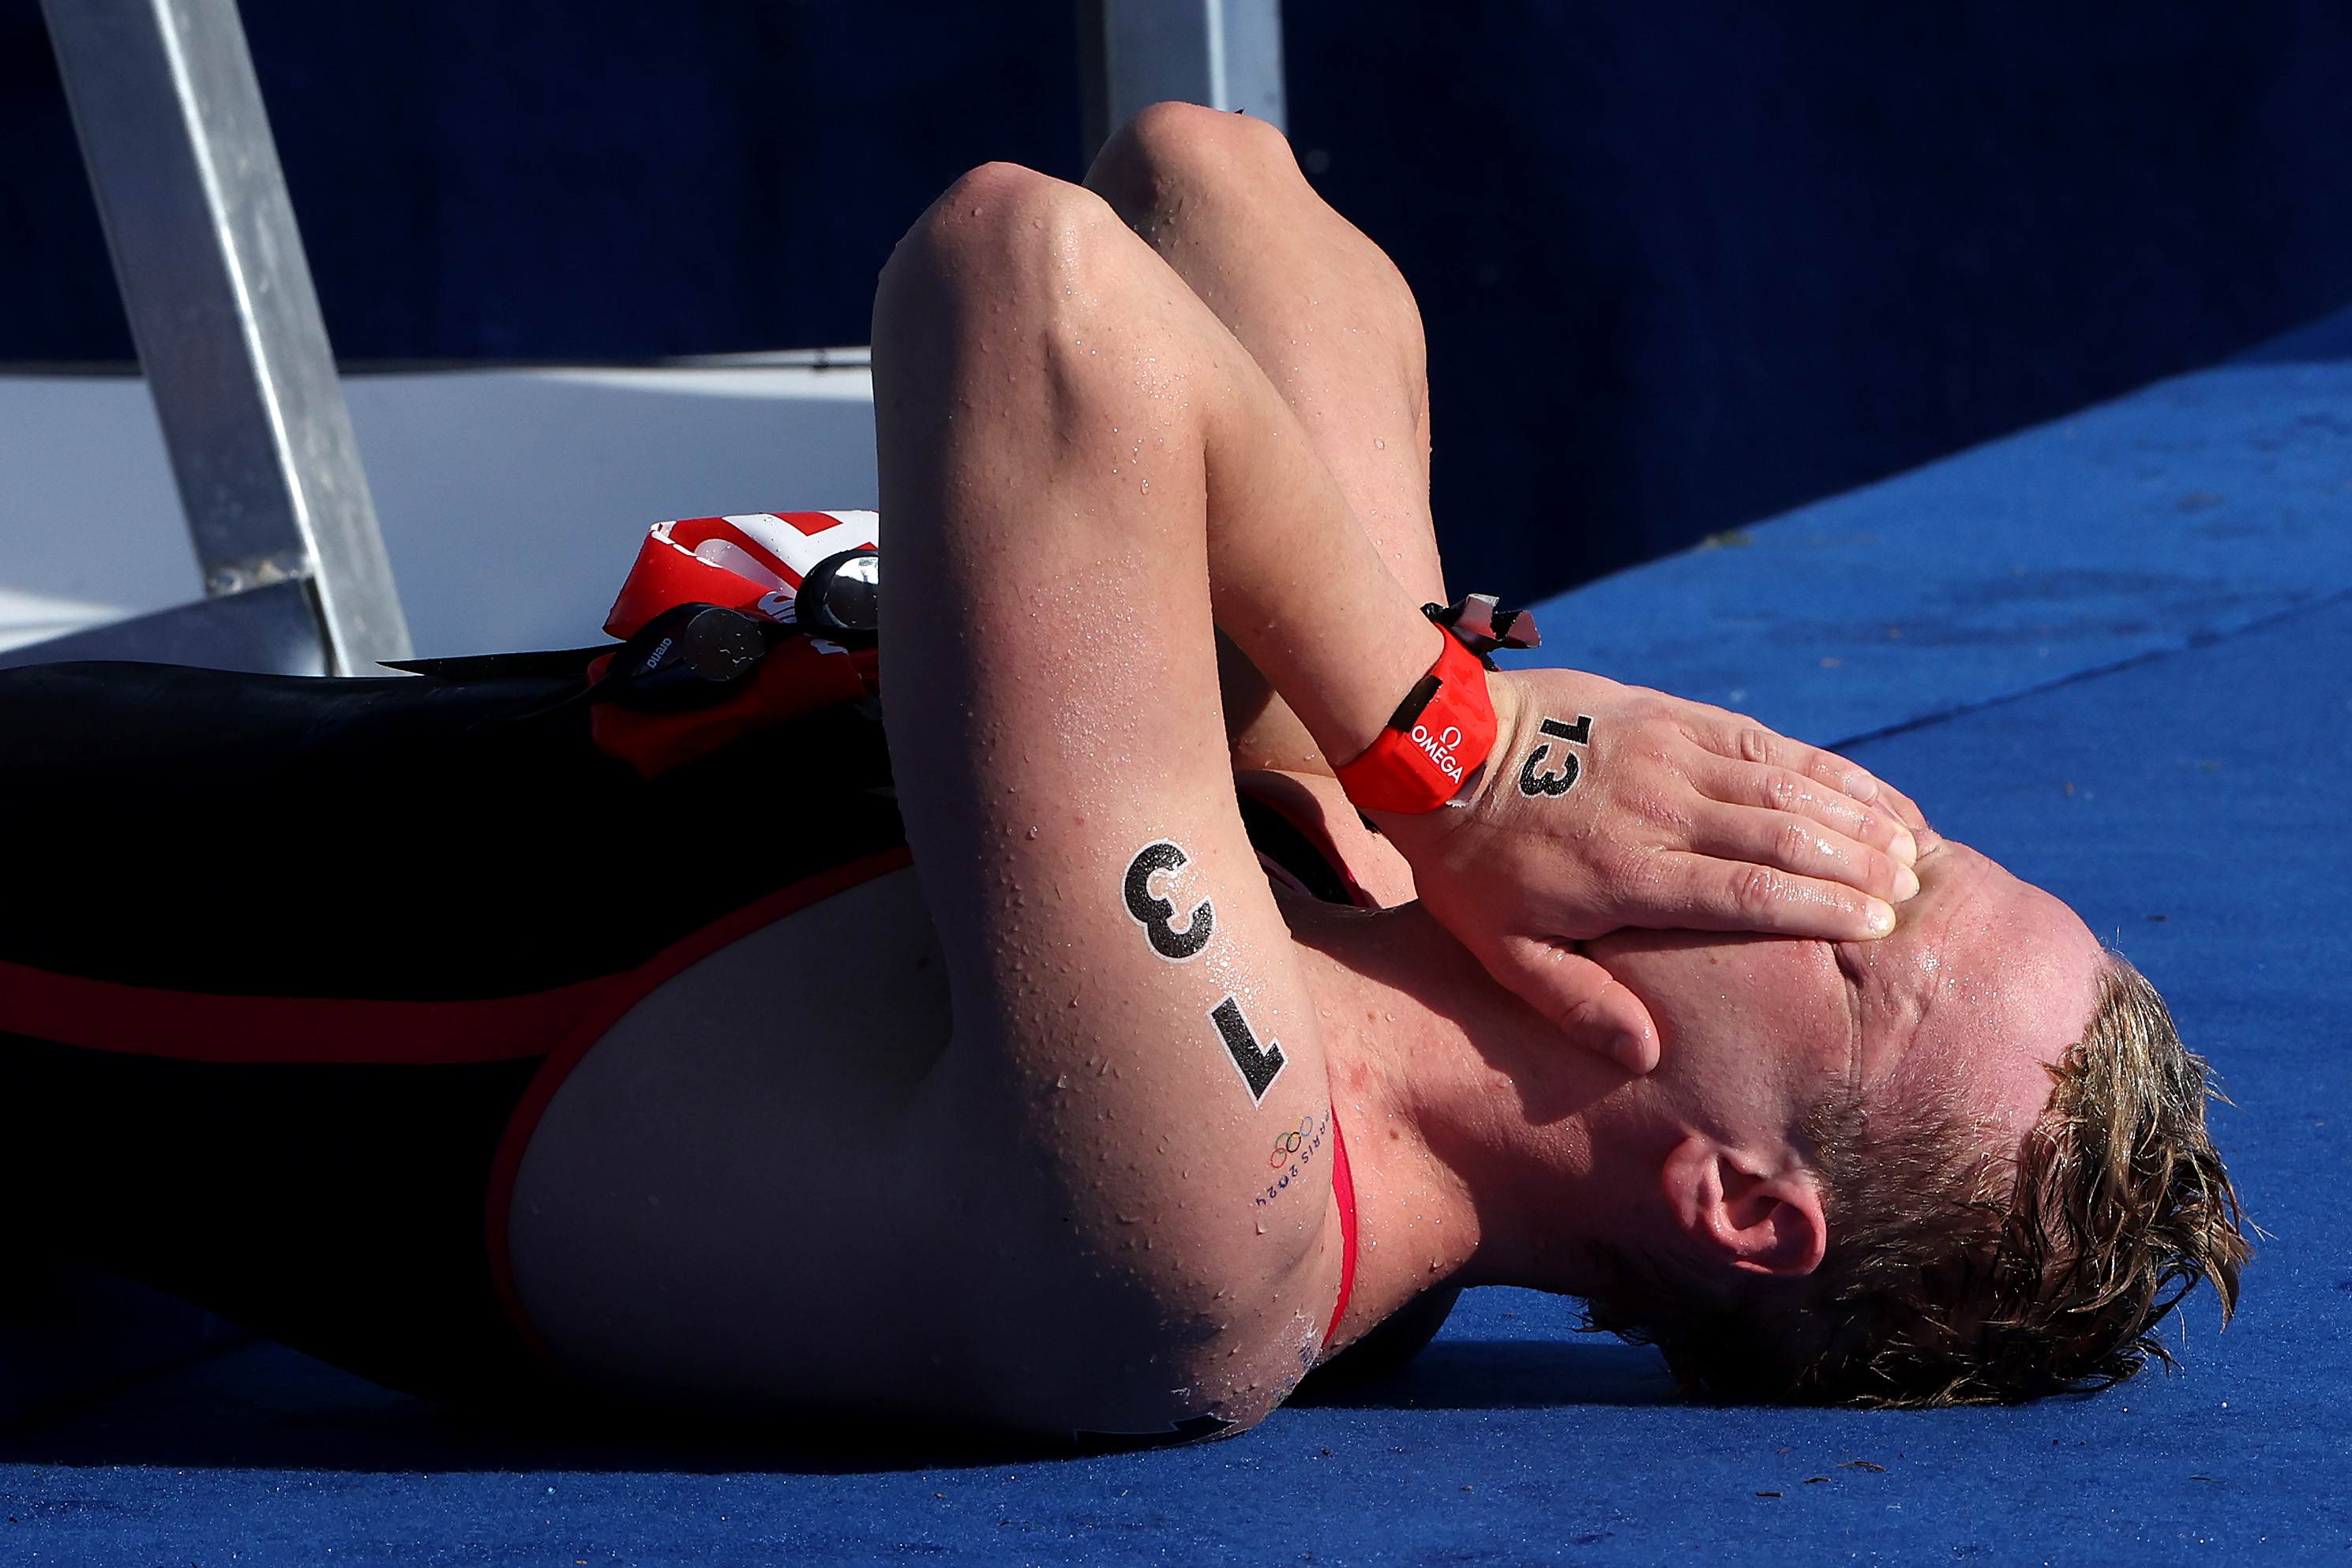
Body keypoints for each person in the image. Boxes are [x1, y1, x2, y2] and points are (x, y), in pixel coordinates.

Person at [0, 105, 2243, 1440]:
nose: (1823, 809)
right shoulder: (1359, 865)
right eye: (1911, 838)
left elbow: (1024, 282)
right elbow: (1217, 185)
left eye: (1868, 931)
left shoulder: (1208, 1207)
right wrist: (1403, 718)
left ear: (1737, 1202)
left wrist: (1443, 731)